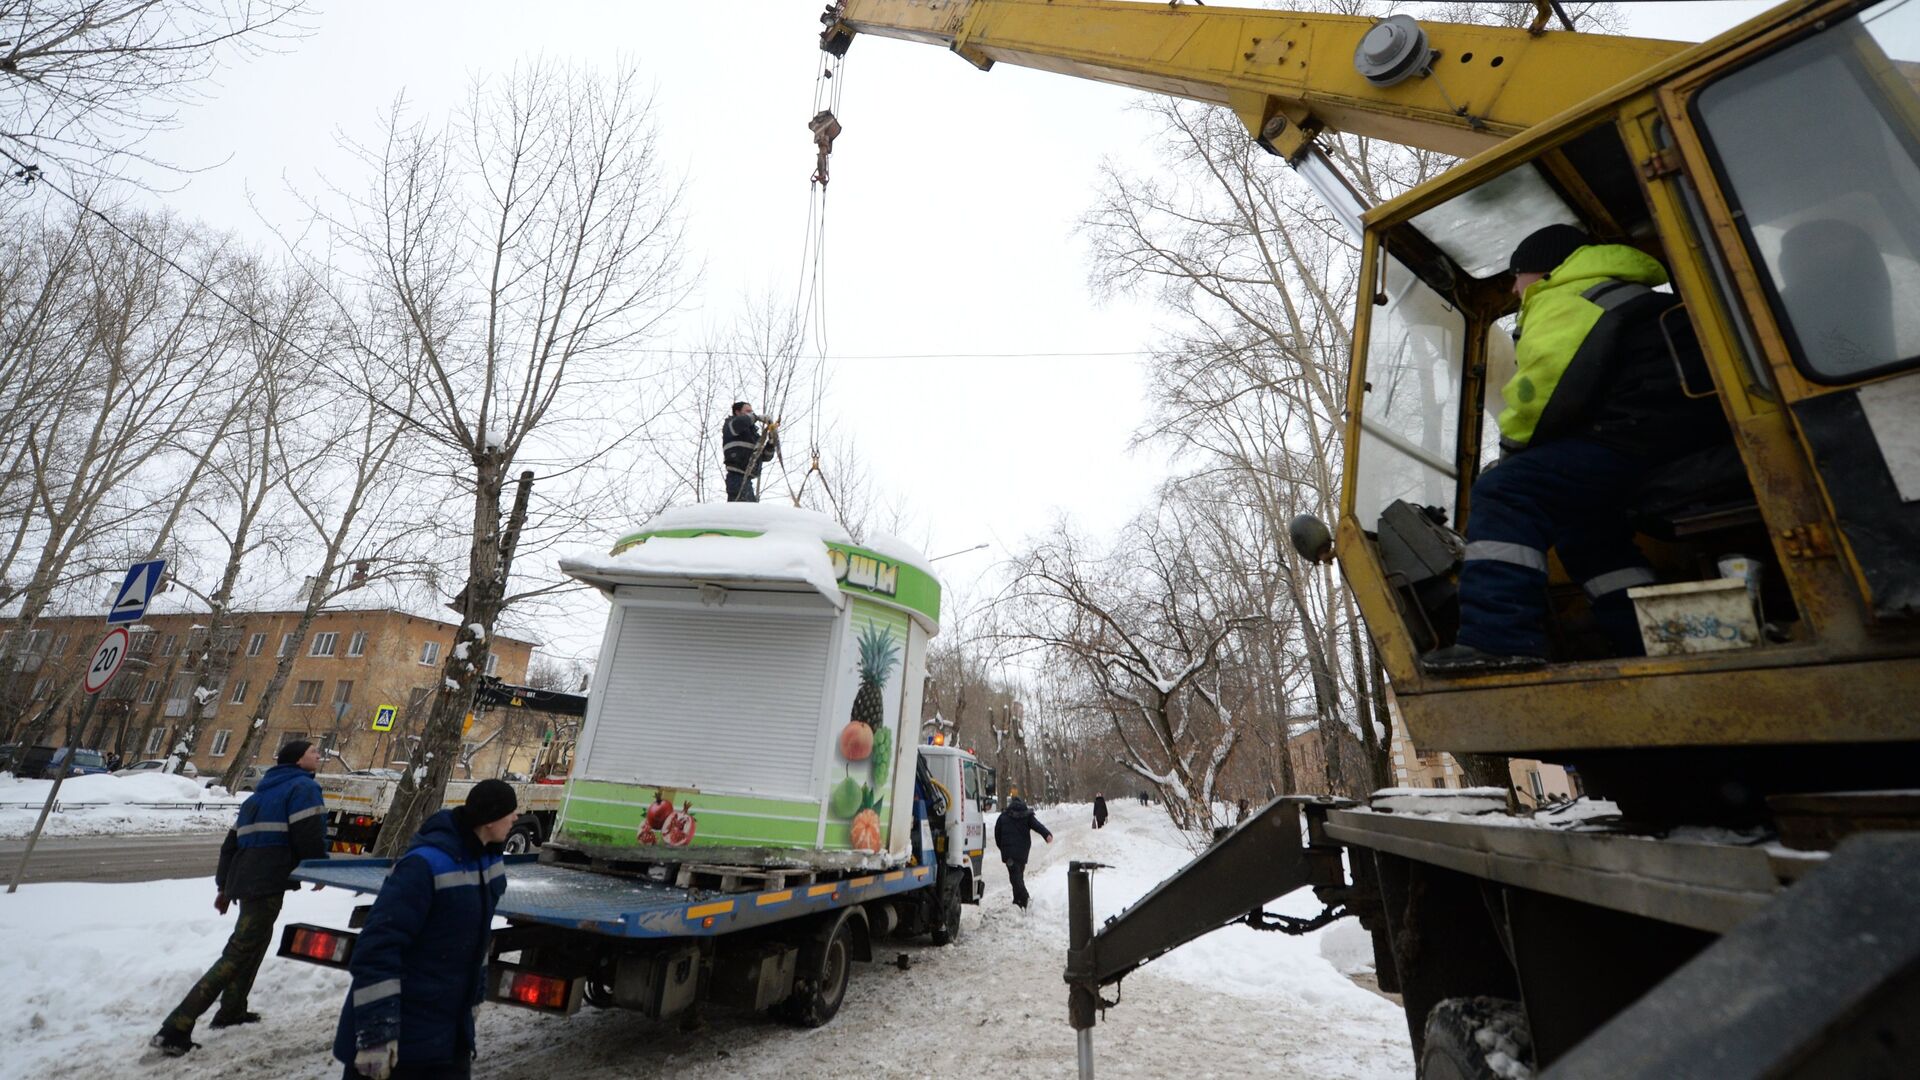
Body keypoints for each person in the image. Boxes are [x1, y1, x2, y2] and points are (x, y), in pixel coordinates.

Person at [1423, 224, 1727, 675]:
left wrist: (1512, 456)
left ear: (1542, 272)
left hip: (1635, 440)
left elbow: (1541, 392)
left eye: (1517, 276)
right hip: (1683, 437)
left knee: (1502, 490)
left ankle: (1498, 638)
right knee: (1584, 527)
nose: (1513, 287)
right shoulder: (1628, 296)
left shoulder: (1570, 297)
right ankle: (1641, 637)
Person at [151, 740, 328, 1057]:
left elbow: (230, 845)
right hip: (267, 880)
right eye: (314, 751)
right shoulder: (303, 787)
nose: (319, 755)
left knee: (255, 942)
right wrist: (318, 868)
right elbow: (308, 833)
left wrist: (223, 886)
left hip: (247, 879)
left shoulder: (259, 796)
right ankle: (175, 1027)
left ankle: (232, 1011)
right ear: (298, 760)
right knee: (239, 951)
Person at [333, 780, 518, 1080]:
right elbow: (377, 950)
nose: (515, 819)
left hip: (447, 1037)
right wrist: (377, 1034)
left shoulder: (487, 860)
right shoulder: (424, 866)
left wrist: (473, 1000)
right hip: (404, 1037)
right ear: (490, 819)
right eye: (511, 812)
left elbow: (474, 941)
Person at [992, 796, 1053, 910]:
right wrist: (1047, 835)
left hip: (1009, 854)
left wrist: (1003, 848)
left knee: (1015, 877)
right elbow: (1038, 826)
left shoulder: (1003, 816)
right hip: (1022, 852)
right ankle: (1018, 902)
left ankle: (1025, 900)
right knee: (1018, 876)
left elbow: (997, 834)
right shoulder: (1027, 816)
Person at [721, 401, 779, 503]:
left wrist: (771, 442)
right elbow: (740, 423)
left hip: (746, 480)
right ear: (737, 412)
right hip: (736, 477)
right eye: (748, 411)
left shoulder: (753, 435)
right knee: (742, 513)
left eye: (752, 411)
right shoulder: (731, 424)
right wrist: (756, 417)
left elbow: (765, 457)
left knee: (750, 512)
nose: (751, 413)